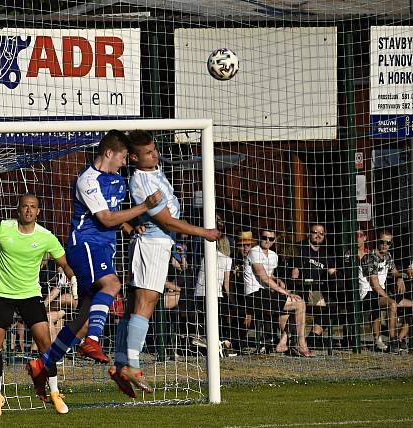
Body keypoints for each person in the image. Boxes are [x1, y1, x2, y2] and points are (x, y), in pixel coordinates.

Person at [26, 130, 162, 399]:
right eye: (123, 156)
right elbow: (105, 218)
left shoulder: (118, 182)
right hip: (84, 245)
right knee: (112, 284)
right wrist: (143, 207)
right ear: (109, 153)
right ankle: (92, 342)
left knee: (84, 319)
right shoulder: (87, 179)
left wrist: (128, 227)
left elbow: (113, 216)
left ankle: (43, 363)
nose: (125, 162)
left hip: (103, 248)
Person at [108, 128, 221, 396]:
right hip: (152, 245)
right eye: (147, 153)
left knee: (137, 305)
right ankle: (132, 366)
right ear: (133, 158)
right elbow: (167, 221)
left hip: (158, 244)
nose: (154, 155)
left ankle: (121, 363)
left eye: (154, 149)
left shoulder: (154, 172)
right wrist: (204, 232)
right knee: (146, 304)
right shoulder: (141, 181)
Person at [0, 194, 75, 416]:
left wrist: (73, 278)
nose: (29, 210)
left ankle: (54, 392)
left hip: (30, 295)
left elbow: (64, 263)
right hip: (1, 294)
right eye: (25, 206)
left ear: (38, 211)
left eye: (33, 207)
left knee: (45, 342)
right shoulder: (2, 228)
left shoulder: (46, 237)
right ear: (18, 209)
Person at [244, 228, 313, 357]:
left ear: (274, 240)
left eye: (271, 239)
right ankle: (300, 343)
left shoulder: (273, 255)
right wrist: (286, 292)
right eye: (265, 238)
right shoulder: (254, 252)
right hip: (254, 295)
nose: (267, 241)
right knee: (299, 304)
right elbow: (263, 278)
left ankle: (283, 342)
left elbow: (270, 276)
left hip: (266, 294)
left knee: (294, 306)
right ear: (260, 238)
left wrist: (278, 280)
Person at [358, 230, 413, 353]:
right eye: (382, 242)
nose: (385, 245)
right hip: (367, 294)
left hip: (380, 292)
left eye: (388, 243)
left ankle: (402, 338)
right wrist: (390, 298)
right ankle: (393, 340)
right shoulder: (369, 258)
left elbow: (394, 271)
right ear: (376, 241)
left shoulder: (387, 256)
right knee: (392, 304)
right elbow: (375, 285)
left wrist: (399, 278)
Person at [290, 223, 338, 348]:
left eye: (321, 233)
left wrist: (339, 278)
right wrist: (306, 289)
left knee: (334, 305)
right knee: (328, 306)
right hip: (302, 291)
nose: (318, 235)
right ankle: (309, 339)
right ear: (309, 234)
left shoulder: (325, 253)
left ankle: (313, 337)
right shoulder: (301, 248)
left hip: (318, 291)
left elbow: (333, 272)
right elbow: (295, 274)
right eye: (315, 232)